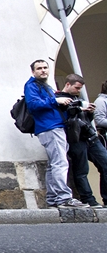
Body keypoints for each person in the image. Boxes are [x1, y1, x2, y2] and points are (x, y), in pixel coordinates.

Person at [24, 60, 88, 208]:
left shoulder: (45, 86)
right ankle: (64, 198)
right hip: (50, 127)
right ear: (33, 72)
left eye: (45, 68)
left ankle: (53, 198)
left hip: (54, 127)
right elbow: (33, 105)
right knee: (60, 162)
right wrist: (55, 100)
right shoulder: (32, 85)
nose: (43, 71)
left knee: (54, 165)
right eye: (39, 68)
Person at [56, 74, 107, 208]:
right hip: (75, 138)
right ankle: (88, 199)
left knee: (105, 164)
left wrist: (89, 112)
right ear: (68, 84)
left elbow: (85, 120)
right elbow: (65, 119)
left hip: (90, 137)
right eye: (77, 88)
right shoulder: (58, 99)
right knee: (81, 170)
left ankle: (106, 199)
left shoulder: (79, 99)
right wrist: (77, 109)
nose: (79, 90)